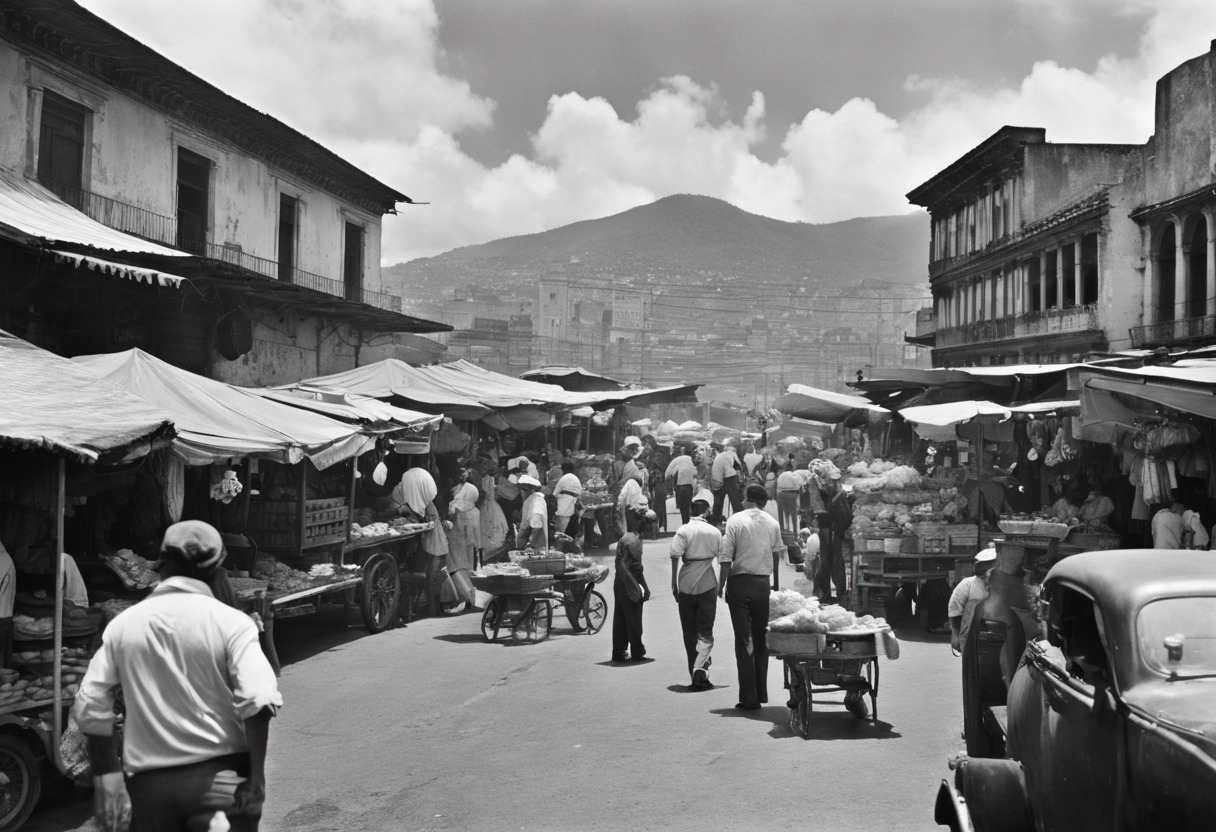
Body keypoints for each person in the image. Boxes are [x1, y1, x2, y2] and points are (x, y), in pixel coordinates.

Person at [75, 521, 280, 832]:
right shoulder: (232, 623)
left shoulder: (124, 623)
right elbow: (258, 698)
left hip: (148, 792)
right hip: (220, 786)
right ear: (218, 567)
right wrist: (257, 779)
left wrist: (108, 778)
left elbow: (91, 701)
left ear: (160, 564)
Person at [719, 484, 784, 710]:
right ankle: (761, 692)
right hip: (762, 584)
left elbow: (726, 556)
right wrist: (774, 583)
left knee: (743, 640)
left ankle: (749, 697)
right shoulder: (772, 522)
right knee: (760, 639)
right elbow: (776, 554)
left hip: (739, 583)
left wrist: (721, 584)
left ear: (747, 499)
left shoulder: (735, 520)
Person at [669, 490, 724, 690]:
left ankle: (696, 672)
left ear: (692, 509)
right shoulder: (715, 532)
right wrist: (722, 585)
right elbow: (723, 559)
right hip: (708, 584)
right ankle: (701, 670)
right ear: (707, 511)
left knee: (689, 632)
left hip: (685, 584)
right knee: (706, 630)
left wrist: (674, 584)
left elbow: (675, 556)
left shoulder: (684, 530)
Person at [394, 466, 451, 616]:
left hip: (433, 542)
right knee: (430, 577)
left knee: (430, 578)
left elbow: (416, 518)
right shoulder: (427, 500)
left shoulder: (424, 504)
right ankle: (432, 608)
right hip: (434, 541)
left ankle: (432, 609)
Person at [948, 546, 995, 656]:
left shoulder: (1005, 585)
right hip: (971, 635)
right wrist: (955, 634)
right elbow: (954, 609)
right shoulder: (967, 584)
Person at [612, 532, 650, 661]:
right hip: (630, 582)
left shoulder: (626, 538)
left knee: (620, 618)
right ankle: (637, 650)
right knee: (634, 619)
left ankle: (619, 650)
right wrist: (642, 586)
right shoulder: (634, 541)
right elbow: (636, 567)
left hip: (620, 582)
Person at [447, 471, 481, 606]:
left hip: (457, 543)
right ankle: (469, 597)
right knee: (466, 568)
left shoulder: (456, 508)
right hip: (466, 544)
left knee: (460, 569)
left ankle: (467, 596)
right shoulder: (473, 510)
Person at [815, 480, 852, 603]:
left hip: (830, 529)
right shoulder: (838, 497)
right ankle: (835, 593)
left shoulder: (831, 496)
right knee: (833, 562)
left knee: (828, 561)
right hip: (832, 530)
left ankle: (826, 594)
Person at [665, 444, 698, 526]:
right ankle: (689, 523)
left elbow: (666, 475)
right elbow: (696, 473)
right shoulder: (692, 460)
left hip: (680, 487)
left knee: (683, 508)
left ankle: (685, 524)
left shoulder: (676, 460)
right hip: (689, 486)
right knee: (688, 506)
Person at [516, 475, 549, 550]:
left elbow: (537, 522)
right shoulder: (529, 500)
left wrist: (531, 542)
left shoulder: (537, 500)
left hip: (535, 544)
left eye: (523, 489)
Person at [710, 443, 742, 520]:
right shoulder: (730, 455)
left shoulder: (721, 456)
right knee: (735, 499)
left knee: (718, 501)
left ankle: (716, 517)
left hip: (716, 480)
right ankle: (739, 516)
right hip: (727, 478)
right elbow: (738, 467)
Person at [554, 461, 583, 538]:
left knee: (560, 530)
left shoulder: (564, 478)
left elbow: (555, 493)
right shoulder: (576, 478)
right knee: (571, 529)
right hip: (573, 505)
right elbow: (580, 492)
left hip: (564, 505)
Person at [775, 459, 802, 535]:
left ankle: (782, 530)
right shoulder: (793, 475)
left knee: (781, 513)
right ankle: (795, 532)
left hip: (781, 494)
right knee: (793, 514)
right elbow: (798, 486)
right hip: (792, 494)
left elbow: (777, 487)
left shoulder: (781, 475)